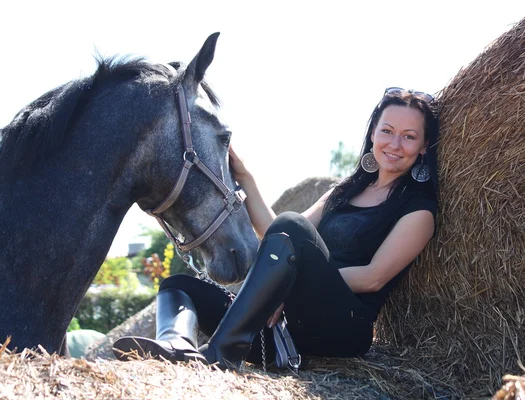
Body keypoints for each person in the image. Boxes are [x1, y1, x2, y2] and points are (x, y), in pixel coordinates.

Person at [113, 87, 439, 369]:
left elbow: (373, 277)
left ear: (424, 146)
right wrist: (245, 179)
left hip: (344, 328)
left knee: (292, 223)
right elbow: (277, 237)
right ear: (372, 134)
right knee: (179, 285)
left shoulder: (418, 211)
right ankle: (177, 346)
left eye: (409, 137)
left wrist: (292, 288)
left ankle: (221, 355)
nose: (395, 143)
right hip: (292, 324)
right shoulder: (345, 191)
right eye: (387, 131)